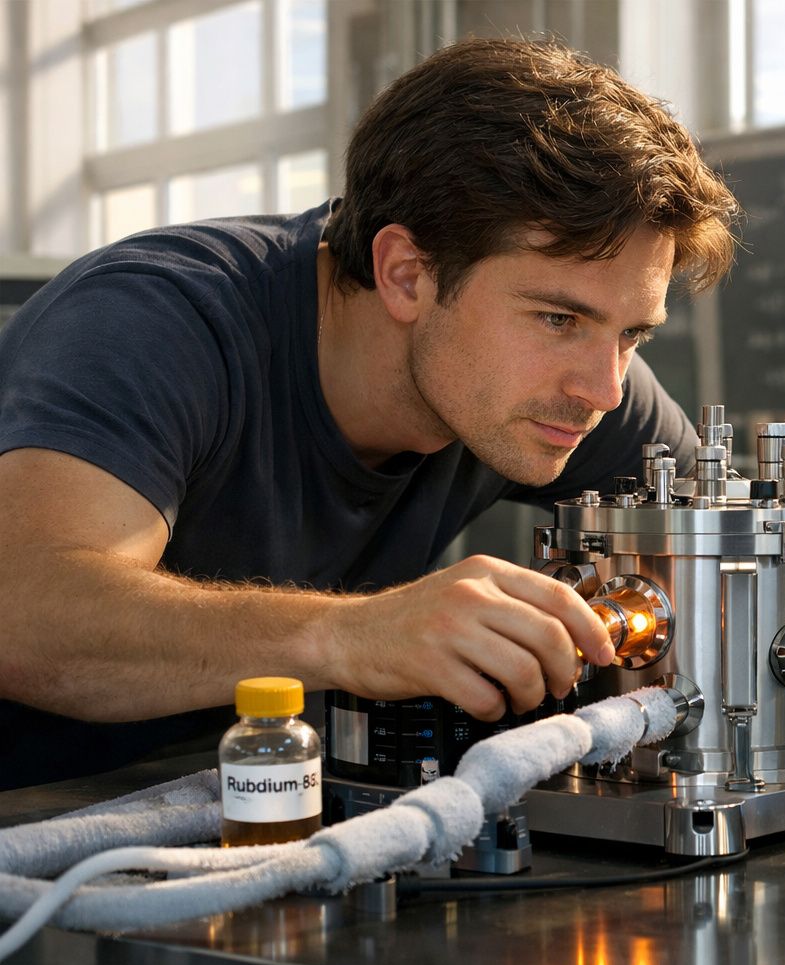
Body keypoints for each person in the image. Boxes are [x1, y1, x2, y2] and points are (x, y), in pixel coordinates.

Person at [0, 38, 739, 789]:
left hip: (220, 795)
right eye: (558, 320)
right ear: (406, 274)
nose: (605, 390)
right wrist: (352, 635)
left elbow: (745, 545)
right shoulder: (153, 320)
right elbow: (24, 613)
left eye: (632, 334)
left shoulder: (570, 383)